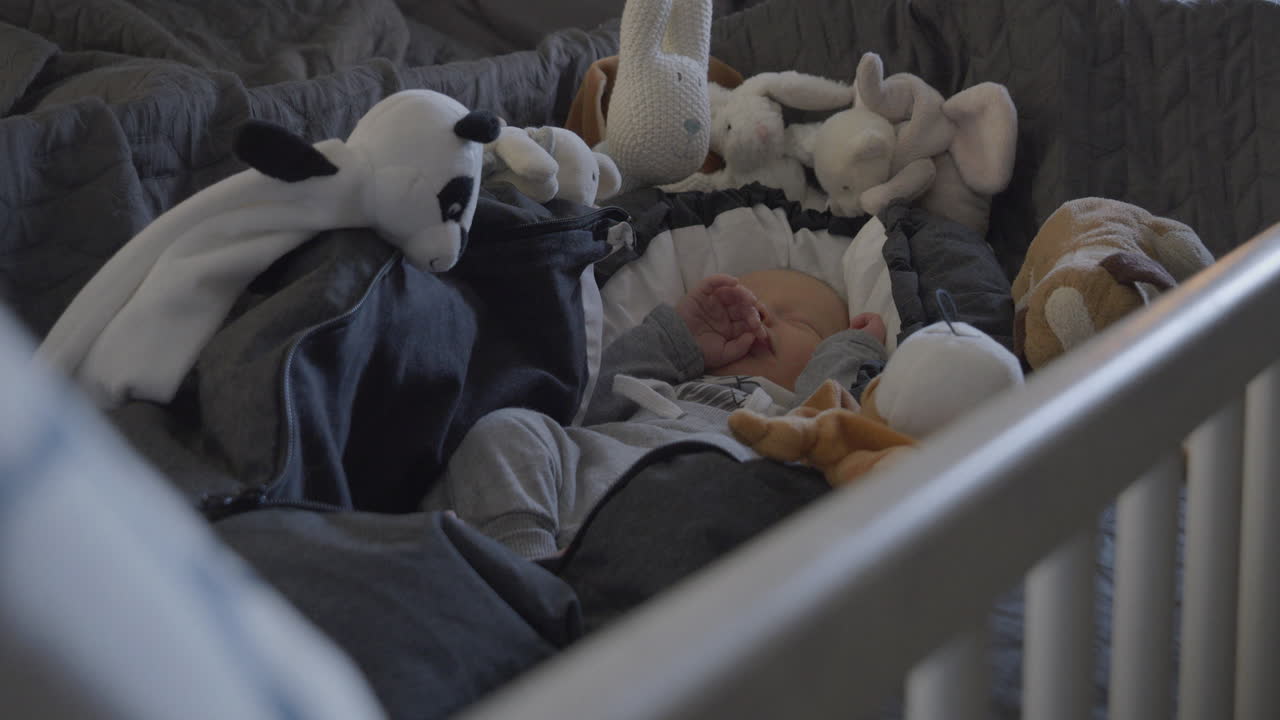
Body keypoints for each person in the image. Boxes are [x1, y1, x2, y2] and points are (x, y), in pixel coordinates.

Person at [421, 269, 889, 559]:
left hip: (685, 522)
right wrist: (681, 337)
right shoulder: (671, 385)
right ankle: (522, 559)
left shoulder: (793, 419)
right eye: (747, 303)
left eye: (799, 322)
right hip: (570, 493)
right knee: (508, 428)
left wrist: (848, 353)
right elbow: (596, 407)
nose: (762, 315)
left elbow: (837, 418)